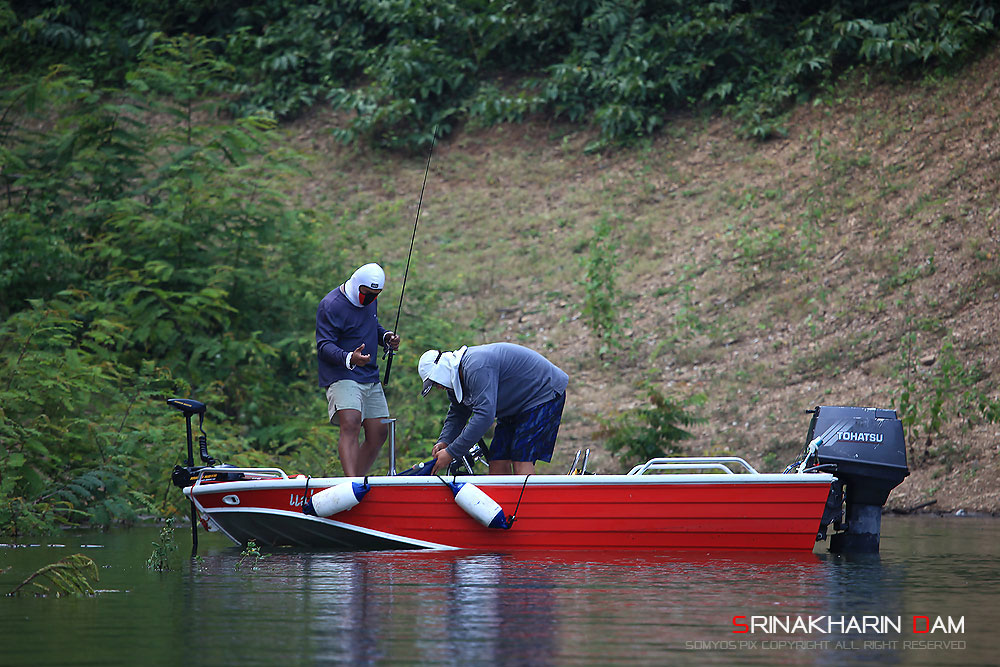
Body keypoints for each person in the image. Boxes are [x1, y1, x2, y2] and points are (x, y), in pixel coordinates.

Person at [418, 342, 568, 475]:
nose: (438, 387)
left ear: (442, 370)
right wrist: (445, 441)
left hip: (543, 392)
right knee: (497, 461)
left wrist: (451, 453)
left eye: (435, 382)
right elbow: (458, 413)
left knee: (521, 458)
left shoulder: (476, 366)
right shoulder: (454, 382)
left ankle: (527, 506)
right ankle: (503, 506)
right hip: (514, 404)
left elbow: (484, 417)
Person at [316, 263, 400, 476]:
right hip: (342, 373)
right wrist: (348, 358)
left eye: (376, 295)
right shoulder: (331, 305)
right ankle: (351, 482)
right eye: (367, 294)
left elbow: (372, 325)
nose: (370, 299)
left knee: (379, 431)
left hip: (369, 375)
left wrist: (385, 337)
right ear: (357, 284)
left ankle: (358, 481)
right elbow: (324, 345)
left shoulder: (370, 301)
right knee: (351, 422)